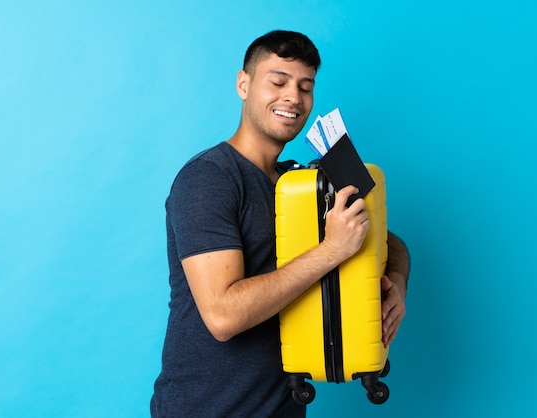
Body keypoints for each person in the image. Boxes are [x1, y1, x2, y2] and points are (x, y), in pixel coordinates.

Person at [150, 30, 410, 417]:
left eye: (306, 87)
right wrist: (331, 250)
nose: (293, 97)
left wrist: (397, 287)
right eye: (278, 82)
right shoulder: (209, 178)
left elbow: (391, 243)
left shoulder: (303, 186)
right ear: (244, 84)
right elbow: (223, 316)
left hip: (282, 407)